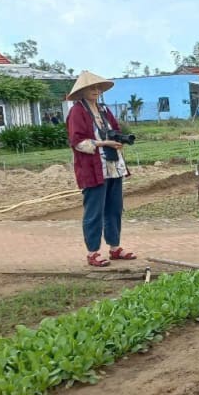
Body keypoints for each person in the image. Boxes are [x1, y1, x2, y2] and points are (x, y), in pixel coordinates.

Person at [66, 71, 138, 267]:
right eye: (91, 88)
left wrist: (117, 140)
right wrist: (102, 143)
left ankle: (115, 247)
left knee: (114, 208)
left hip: (113, 166)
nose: (96, 91)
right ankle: (93, 252)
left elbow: (116, 130)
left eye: (98, 87)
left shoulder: (104, 110)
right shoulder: (77, 112)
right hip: (93, 168)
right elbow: (77, 141)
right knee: (94, 211)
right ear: (82, 91)